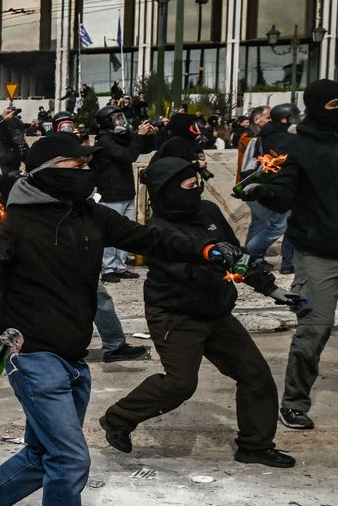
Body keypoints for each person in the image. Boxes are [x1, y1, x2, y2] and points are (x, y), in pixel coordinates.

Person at [0, 134, 240, 506]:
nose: (82, 170)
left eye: (85, 162)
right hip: (32, 356)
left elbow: (150, 238)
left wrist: (203, 249)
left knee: (44, 457)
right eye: (70, 163)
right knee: (70, 460)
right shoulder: (11, 223)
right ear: (42, 171)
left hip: (73, 359)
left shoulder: (91, 216)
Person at [99, 156, 297, 467]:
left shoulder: (208, 211)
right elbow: (184, 271)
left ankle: (255, 446)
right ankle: (119, 418)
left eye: (197, 184)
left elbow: (240, 258)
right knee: (180, 384)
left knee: (255, 375)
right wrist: (213, 258)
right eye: (189, 186)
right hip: (176, 315)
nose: (196, 192)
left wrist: (271, 289)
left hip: (216, 311)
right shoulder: (157, 230)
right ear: (167, 191)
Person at [240, 79, 338, 425]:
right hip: (319, 254)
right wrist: (262, 192)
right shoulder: (296, 148)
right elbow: (283, 192)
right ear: (315, 109)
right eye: (333, 104)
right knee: (314, 329)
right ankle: (295, 401)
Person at [91, 105, 154, 283]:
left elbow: (142, 148)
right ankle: (108, 268)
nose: (121, 122)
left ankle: (120, 265)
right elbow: (128, 156)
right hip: (111, 194)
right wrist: (139, 136)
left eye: (121, 117)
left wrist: (149, 135)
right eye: (116, 119)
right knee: (111, 231)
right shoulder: (105, 140)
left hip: (125, 192)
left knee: (126, 231)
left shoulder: (120, 137)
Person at [239, 103, 299, 274]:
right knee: (276, 225)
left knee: (267, 224)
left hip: (265, 187)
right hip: (271, 187)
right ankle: (251, 255)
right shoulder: (257, 138)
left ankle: (273, 261)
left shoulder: (266, 136)